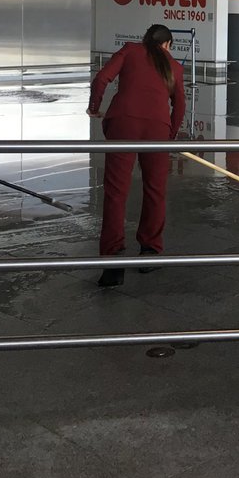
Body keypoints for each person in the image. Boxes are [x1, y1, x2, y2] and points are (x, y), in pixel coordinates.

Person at [87, 24, 185, 287]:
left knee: (116, 192)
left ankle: (113, 261)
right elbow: (180, 106)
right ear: (167, 44)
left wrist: (94, 108)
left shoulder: (130, 51)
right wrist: (169, 136)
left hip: (123, 124)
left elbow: (101, 79)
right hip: (158, 129)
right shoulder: (174, 66)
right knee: (155, 190)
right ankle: (150, 251)